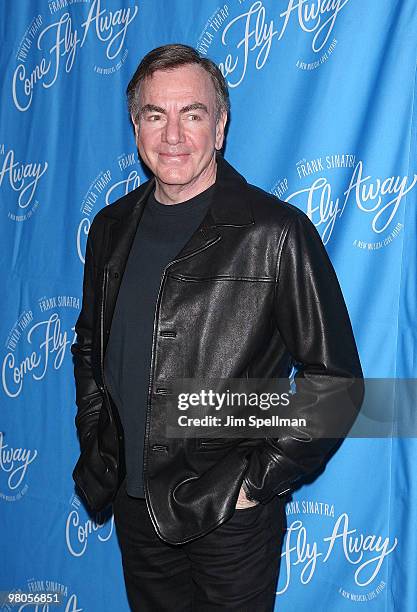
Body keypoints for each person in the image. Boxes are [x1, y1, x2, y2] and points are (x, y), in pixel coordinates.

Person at [71, 44, 363, 611]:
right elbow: (90, 345)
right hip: (134, 506)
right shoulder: (109, 228)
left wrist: (254, 483)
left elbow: (338, 384)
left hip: (228, 519)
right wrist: (95, 435)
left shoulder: (275, 232)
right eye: (155, 115)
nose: (173, 134)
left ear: (221, 126)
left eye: (193, 114)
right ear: (136, 127)